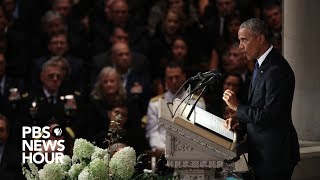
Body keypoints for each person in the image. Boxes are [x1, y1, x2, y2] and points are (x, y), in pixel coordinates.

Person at [222, 18, 300, 179]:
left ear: (260, 38)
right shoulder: (260, 65)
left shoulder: (276, 69)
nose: (240, 46)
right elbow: (257, 106)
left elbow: (270, 116)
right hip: (262, 154)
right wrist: (239, 124)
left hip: (275, 157)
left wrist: (238, 107)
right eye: (239, 40)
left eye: (244, 40)